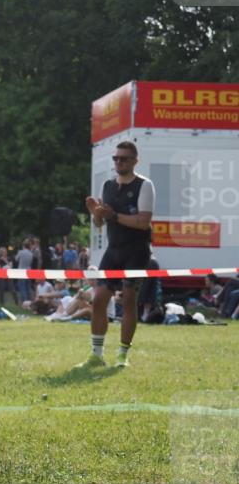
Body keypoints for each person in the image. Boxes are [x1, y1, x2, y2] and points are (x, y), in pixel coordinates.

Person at [80, 140, 155, 368]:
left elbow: (143, 222)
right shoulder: (108, 186)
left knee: (129, 300)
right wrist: (97, 214)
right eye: (116, 158)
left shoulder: (145, 185)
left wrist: (113, 216)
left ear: (134, 161)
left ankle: (123, 355)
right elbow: (101, 223)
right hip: (114, 250)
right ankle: (96, 354)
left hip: (137, 250)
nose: (119, 162)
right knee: (100, 298)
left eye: (123, 158)